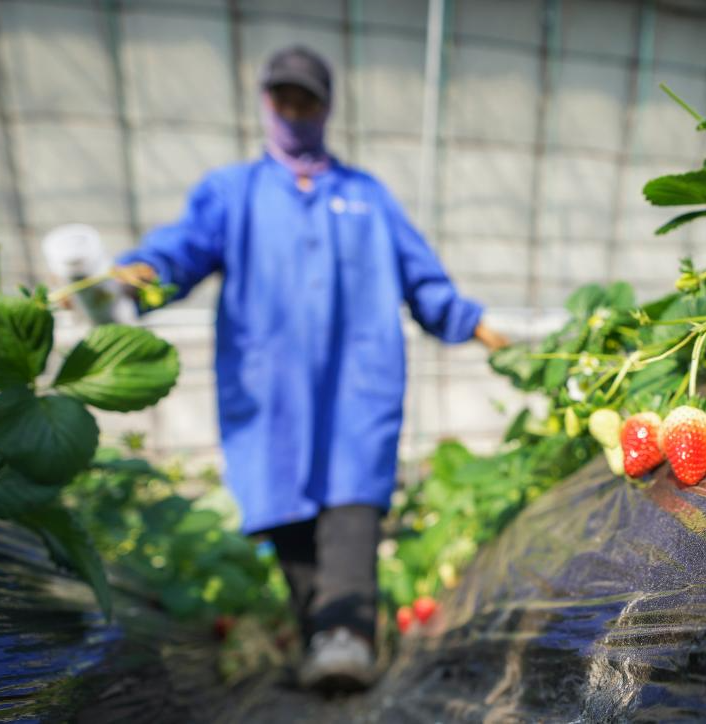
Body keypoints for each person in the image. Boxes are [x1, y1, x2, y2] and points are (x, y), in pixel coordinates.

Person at [113, 45, 509, 691]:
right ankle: (322, 640)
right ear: (267, 104)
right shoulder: (233, 193)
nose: (295, 112)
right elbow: (180, 250)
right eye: (284, 100)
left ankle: (348, 638)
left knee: (353, 498)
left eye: (307, 101)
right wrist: (137, 275)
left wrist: (475, 323)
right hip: (268, 384)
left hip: (357, 380)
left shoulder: (366, 196)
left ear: (326, 108)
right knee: (284, 506)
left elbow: (422, 278)